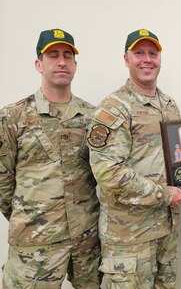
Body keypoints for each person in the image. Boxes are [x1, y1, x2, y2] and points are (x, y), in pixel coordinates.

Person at [0, 29, 101, 288]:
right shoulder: (13, 117)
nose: (61, 62)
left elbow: (102, 172)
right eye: (53, 55)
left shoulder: (93, 116)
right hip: (35, 244)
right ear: (38, 64)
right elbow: (2, 179)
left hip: (86, 240)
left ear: (75, 65)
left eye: (68, 56)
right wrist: (30, 216)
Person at [88, 28, 181, 288]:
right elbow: (110, 173)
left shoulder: (169, 105)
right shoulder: (114, 108)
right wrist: (165, 195)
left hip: (165, 229)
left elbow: (179, 157)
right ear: (126, 59)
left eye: (152, 53)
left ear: (160, 59)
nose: (147, 59)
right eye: (139, 53)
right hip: (129, 237)